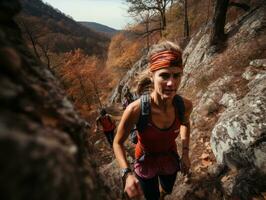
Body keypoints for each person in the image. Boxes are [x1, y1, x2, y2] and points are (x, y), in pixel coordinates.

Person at [113, 41, 193, 200]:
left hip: (170, 158)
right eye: (164, 75)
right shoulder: (135, 110)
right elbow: (117, 143)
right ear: (152, 75)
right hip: (145, 160)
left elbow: (185, 123)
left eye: (177, 75)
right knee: (152, 197)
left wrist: (185, 153)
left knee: (167, 189)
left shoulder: (184, 105)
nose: (171, 83)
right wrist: (127, 175)